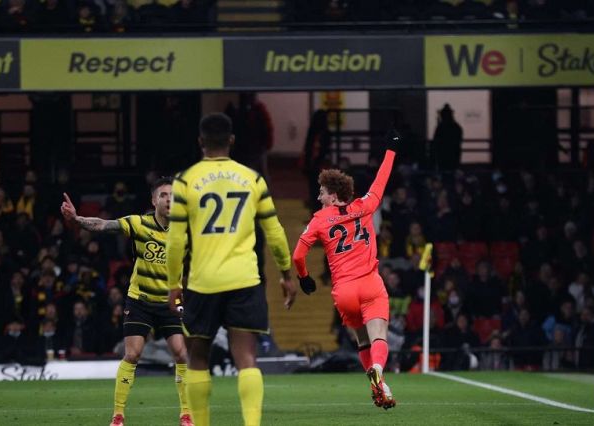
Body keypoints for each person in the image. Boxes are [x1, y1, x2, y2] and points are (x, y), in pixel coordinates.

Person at [165, 112, 297, 426]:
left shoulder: (184, 181)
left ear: (201, 141)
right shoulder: (253, 179)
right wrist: (286, 274)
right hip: (244, 279)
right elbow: (275, 232)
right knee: (246, 357)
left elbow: (175, 240)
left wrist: (173, 284)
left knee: (198, 357)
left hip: (203, 282)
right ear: (232, 141)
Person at [60, 177, 193, 426]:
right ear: (154, 201)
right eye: (163, 195)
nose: (169, 200)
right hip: (140, 300)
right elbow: (103, 224)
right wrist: (77, 219)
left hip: (170, 301)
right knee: (132, 354)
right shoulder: (139, 223)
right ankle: (118, 416)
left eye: (173, 196)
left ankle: (186, 415)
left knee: (182, 354)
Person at [292, 129, 401, 409]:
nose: (318, 197)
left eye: (321, 193)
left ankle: (379, 385)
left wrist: (304, 278)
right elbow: (381, 179)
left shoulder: (319, 220)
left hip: (344, 292)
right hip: (370, 284)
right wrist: (391, 151)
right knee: (379, 336)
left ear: (333, 195)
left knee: (362, 340)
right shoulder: (365, 206)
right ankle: (379, 370)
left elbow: (298, 255)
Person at [432, 103, 463, 172]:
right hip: (452, 155)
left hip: (444, 155)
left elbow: (436, 141)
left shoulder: (441, 127)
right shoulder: (456, 127)